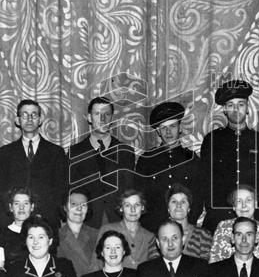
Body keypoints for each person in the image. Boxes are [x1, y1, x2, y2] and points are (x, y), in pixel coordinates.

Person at [198, 79, 259, 232]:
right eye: (230, 105)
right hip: (220, 214)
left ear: (247, 108)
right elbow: (206, 180)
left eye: (240, 104)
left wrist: (248, 207)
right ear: (224, 109)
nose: (236, 109)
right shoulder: (212, 140)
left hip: (253, 213)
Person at [0, 99, 68, 225]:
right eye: (24, 115)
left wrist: (49, 217)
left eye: (34, 115)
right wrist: (7, 220)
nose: (29, 118)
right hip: (12, 223)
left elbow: (61, 190)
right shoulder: (5, 153)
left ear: (40, 119)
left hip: (46, 223)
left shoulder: (56, 152)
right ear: (18, 120)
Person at [68, 96, 136, 226]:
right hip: (86, 224)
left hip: (118, 223)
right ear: (89, 118)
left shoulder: (125, 152)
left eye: (107, 114)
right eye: (97, 114)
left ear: (112, 118)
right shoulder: (75, 152)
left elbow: (130, 191)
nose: (103, 119)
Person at [134, 100, 201, 231]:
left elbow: (198, 199)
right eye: (163, 128)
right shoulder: (147, 159)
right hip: (153, 228)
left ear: (180, 127)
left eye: (173, 126)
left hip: (183, 228)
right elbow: (140, 197)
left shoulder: (191, 159)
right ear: (158, 131)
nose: (168, 132)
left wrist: (186, 225)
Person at [145, 184, 212, 261]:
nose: (178, 205)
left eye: (183, 202)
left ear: (189, 208)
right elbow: (153, 267)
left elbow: (205, 267)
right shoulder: (158, 237)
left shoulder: (203, 235)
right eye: (174, 202)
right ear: (168, 209)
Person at [208, 185, 259, 262]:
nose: (243, 205)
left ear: (256, 204)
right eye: (239, 201)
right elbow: (214, 261)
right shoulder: (223, 227)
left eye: (248, 200)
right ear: (234, 206)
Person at [96, 189, 155, 269]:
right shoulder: (107, 229)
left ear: (142, 207)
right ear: (121, 208)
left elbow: (153, 267)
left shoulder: (150, 236)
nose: (133, 209)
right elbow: (96, 263)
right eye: (127, 205)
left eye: (137, 205)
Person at [56, 190, 101, 277]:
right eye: (73, 204)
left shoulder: (98, 234)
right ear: (65, 207)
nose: (79, 208)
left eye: (83, 205)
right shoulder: (55, 236)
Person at [0, 187, 35, 267]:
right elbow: (0, 265)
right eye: (17, 203)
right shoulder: (1, 234)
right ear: (10, 207)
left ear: (32, 207)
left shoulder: (39, 233)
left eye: (26, 203)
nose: (21, 207)